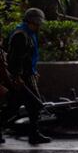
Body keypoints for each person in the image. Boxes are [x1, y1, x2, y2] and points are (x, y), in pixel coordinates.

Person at [1, 8, 51, 145]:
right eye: (37, 23)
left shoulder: (29, 33)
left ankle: (34, 134)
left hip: (27, 75)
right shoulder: (20, 35)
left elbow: (29, 57)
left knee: (30, 106)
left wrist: (33, 71)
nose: (39, 26)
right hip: (21, 78)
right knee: (20, 107)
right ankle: (34, 134)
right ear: (31, 21)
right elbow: (15, 59)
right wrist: (17, 77)